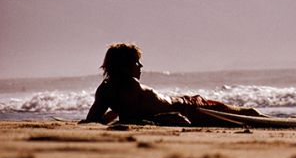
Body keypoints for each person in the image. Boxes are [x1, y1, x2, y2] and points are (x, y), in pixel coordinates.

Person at [82, 43, 262, 126]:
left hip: (186, 104)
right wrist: (161, 119)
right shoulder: (132, 86)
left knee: (248, 114)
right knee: (250, 114)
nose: (141, 66)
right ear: (125, 65)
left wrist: (114, 116)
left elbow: (95, 120)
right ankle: (286, 125)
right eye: (137, 62)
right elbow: (135, 115)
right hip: (192, 109)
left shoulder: (105, 89)